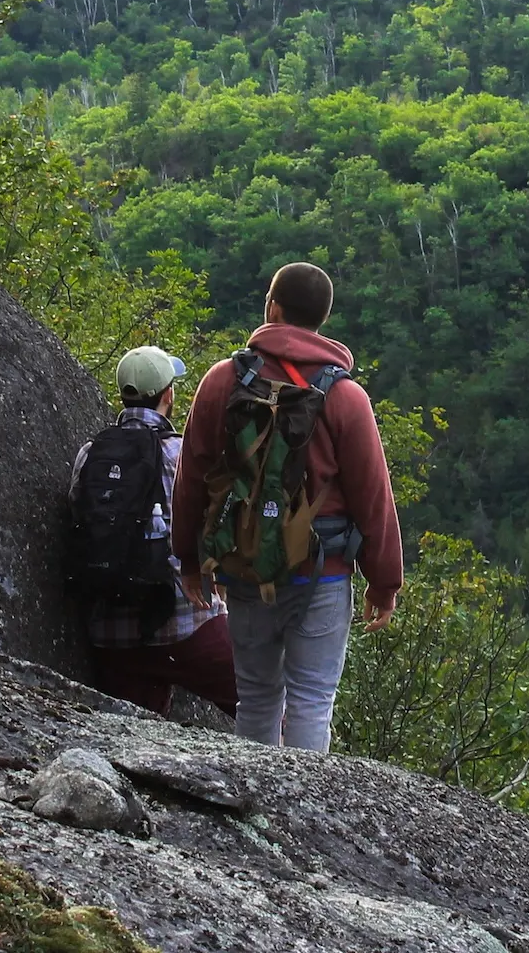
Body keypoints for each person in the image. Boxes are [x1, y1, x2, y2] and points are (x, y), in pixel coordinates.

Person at [172, 262, 401, 752]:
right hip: (323, 570)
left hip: (245, 563)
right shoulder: (345, 397)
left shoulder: (221, 381)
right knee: (312, 700)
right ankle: (299, 819)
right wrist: (384, 582)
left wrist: (190, 560)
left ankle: (248, 808)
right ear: (321, 318)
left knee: (255, 697)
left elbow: (191, 475)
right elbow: (373, 498)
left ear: (273, 307)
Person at [70, 345, 237, 717]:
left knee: (136, 737)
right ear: (168, 395)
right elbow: (220, 530)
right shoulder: (183, 454)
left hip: (112, 638)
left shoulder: (90, 454)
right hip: (186, 624)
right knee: (270, 703)